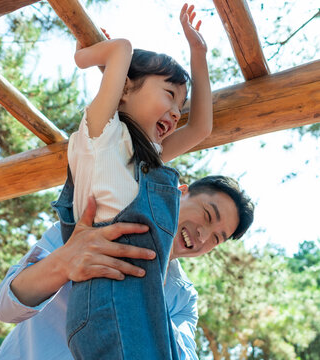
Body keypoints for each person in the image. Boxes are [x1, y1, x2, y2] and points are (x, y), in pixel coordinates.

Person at [46, 3, 211, 358]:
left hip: (137, 302)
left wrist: (200, 54)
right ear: (123, 88)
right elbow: (121, 48)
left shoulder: (145, 158)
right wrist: (89, 58)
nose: (175, 112)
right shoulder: (102, 135)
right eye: (169, 94)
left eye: (180, 107)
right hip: (108, 298)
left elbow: (200, 128)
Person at [0, 175, 254, 360]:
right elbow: (5, 307)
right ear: (180, 193)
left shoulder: (183, 299)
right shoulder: (92, 229)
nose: (203, 236)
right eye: (208, 215)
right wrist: (64, 261)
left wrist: (154, 279)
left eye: (217, 238)